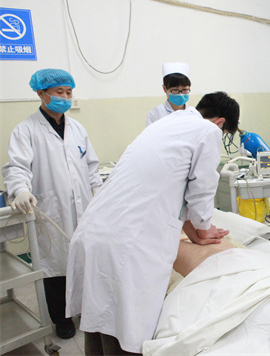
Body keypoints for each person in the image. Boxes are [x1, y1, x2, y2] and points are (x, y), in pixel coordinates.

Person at [65, 91, 240, 355]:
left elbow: (172, 187)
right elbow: (202, 191)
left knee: (98, 317)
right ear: (220, 122)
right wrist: (204, 229)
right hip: (128, 240)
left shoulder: (168, 123)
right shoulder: (208, 131)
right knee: (125, 327)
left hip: (96, 229)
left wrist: (193, 229)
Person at [2, 68, 102, 339]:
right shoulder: (26, 130)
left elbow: (91, 166)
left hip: (83, 208)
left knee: (85, 262)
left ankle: (86, 310)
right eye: (59, 92)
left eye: (69, 92)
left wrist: (98, 191)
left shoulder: (77, 128)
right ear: (41, 93)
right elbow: (17, 167)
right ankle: (62, 319)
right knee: (55, 267)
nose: (65, 97)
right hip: (51, 210)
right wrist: (21, 190)